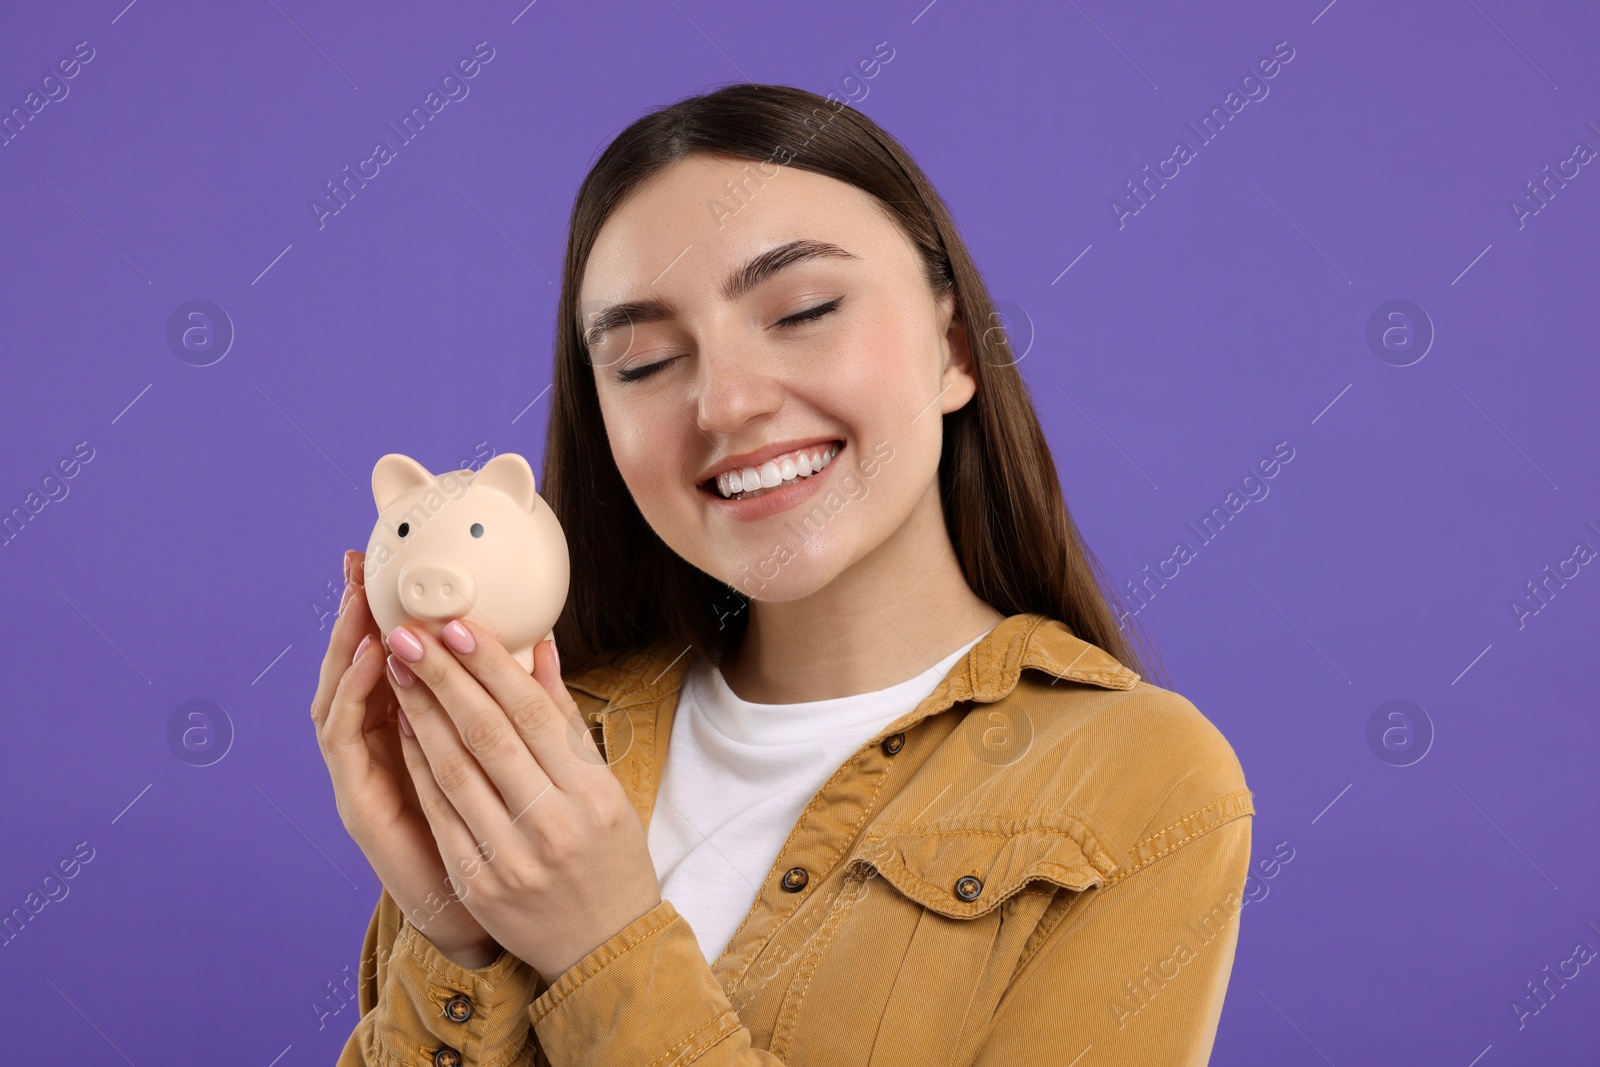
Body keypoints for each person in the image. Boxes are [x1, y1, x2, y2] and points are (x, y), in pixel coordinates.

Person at [311, 82, 1254, 1066]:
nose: (725, 403)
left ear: (953, 348)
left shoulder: (1145, 782)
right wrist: (453, 931)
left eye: (801, 310)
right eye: (642, 362)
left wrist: (602, 941)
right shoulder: (534, 753)